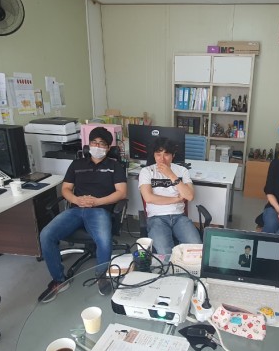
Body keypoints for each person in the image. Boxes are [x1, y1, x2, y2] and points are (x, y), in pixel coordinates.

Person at [38, 127, 127, 302]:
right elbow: (65, 188)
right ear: (88, 144)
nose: (97, 146)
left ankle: (101, 275)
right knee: (46, 235)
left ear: (108, 148)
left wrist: (97, 202)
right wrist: (76, 200)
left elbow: (122, 193)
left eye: (102, 144)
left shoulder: (114, 166)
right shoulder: (77, 164)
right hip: (76, 209)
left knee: (104, 239)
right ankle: (59, 280)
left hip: (100, 209)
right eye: (94, 142)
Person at [138, 137, 201, 256]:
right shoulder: (146, 171)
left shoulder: (182, 171)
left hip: (179, 217)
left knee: (196, 248)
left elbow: (189, 196)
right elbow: (149, 198)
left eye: (166, 154)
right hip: (156, 218)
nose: (162, 159)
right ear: (154, 155)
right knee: (165, 253)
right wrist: (176, 199)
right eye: (158, 154)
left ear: (173, 155)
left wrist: (171, 175)